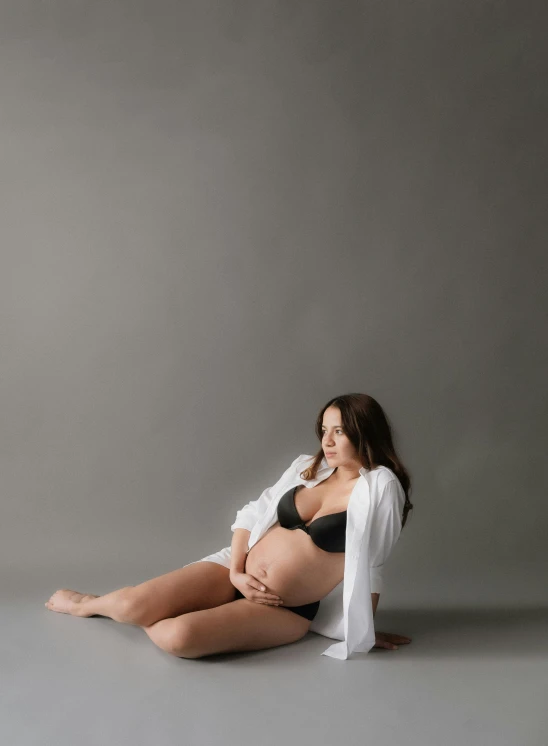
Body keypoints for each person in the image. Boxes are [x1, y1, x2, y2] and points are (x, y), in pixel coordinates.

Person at [45, 393, 413, 660]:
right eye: (324, 430)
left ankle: (180, 615)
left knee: (179, 637)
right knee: (132, 604)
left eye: (339, 432)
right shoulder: (309, 467)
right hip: (233, 571)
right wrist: (237, 572)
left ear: (365, 433)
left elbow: (371, 563)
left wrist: (360, 630)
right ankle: (86, 604)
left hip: (284, 608)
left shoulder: (380, 487)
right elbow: (254, 514)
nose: (326, 441)